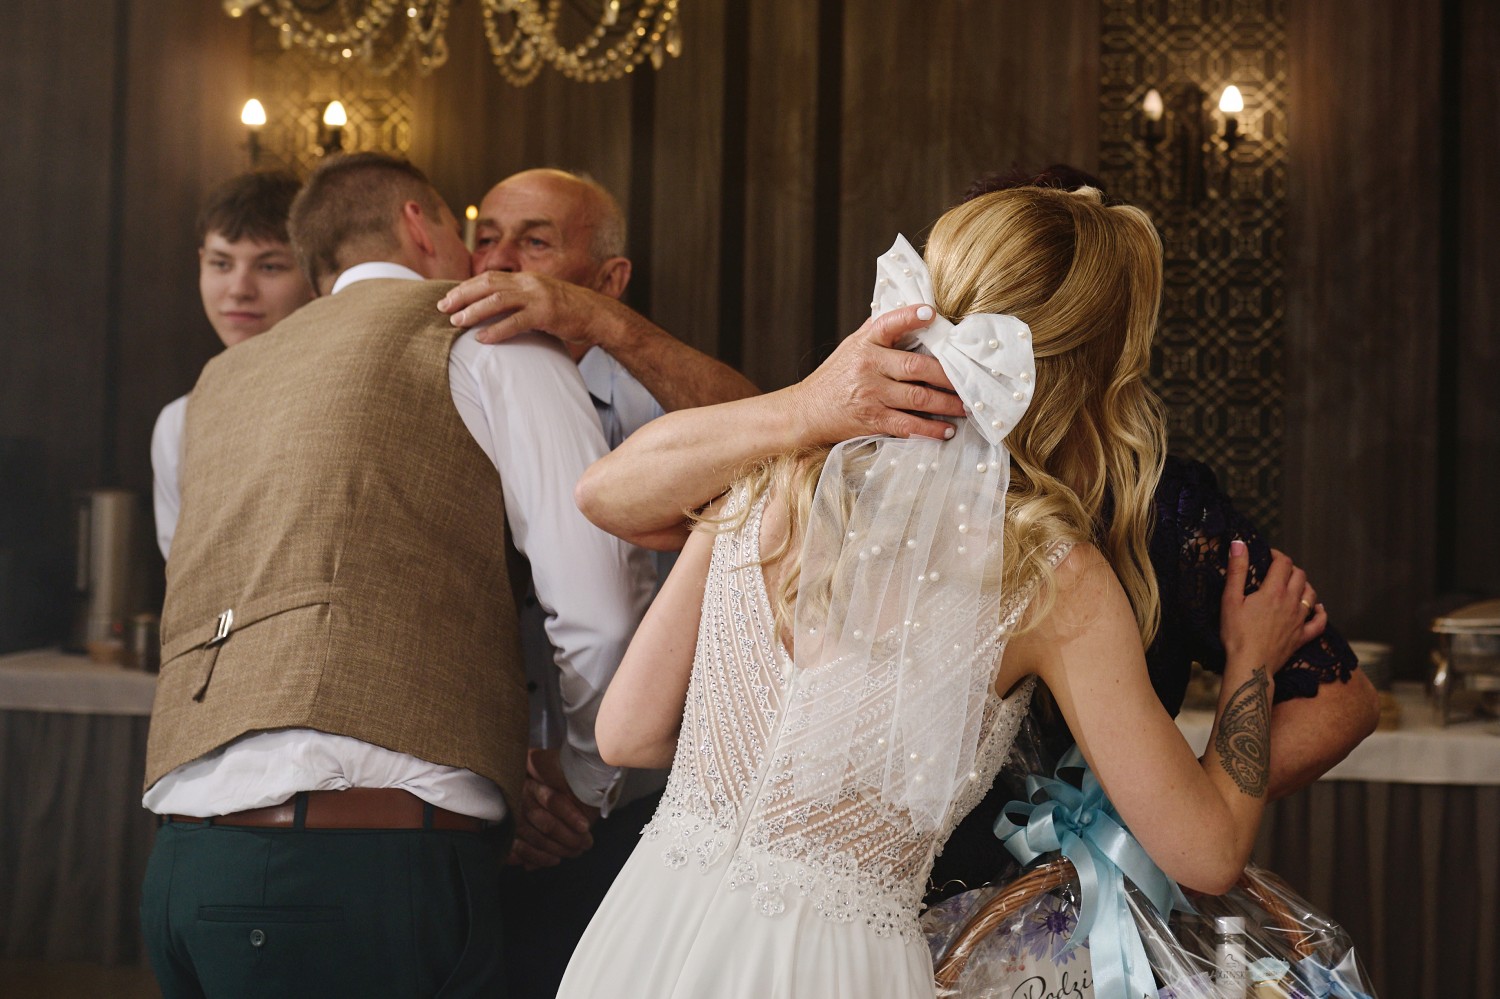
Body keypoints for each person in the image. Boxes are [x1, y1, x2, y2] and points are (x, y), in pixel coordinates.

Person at [555, 186, 1323, 997]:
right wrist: (1251, 660)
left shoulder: (770, 475)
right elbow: (1205, 853)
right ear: (1094, 377)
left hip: (643, 937)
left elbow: (625, 732)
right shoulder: (1051, 576)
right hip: (833, 974)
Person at [139, 152, 653, 998]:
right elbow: (599, 613)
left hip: (182, 864)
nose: (486, 262)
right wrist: (584, 782)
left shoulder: (206, 395)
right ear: (421, 224)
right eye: (468, 230)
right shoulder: (493, 343)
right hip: (368, 862)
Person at [436, 167, 759, 996]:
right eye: (485, 237)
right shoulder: (441, 382)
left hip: (643, 804)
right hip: (472, 797)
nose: (497, 262)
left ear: (608, 279)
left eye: (535, 242)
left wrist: (583, 787)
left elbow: (775, 448)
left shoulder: (659, 403)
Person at [151, 170, 315, 559]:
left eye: (269, 267)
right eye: (221, 264)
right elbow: (185, 571)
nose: (239, 290)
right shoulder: (179, 422)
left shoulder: (342, 398)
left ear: (314, 275)